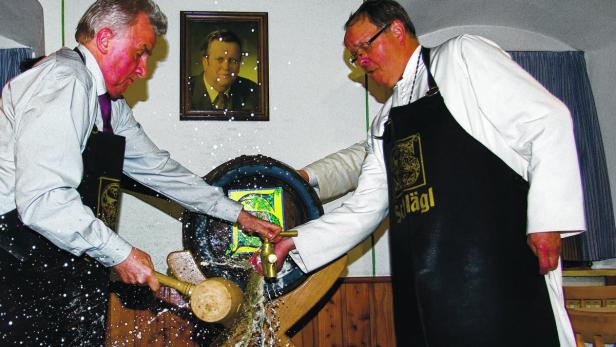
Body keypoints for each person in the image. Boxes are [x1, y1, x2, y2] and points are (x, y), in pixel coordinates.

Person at [266, 1, 586, 345]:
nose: (361, 61)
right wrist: (295, 241)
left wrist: (546, 221)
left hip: (493, 271)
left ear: (397, 29)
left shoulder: (461, 58)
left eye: (364, 47)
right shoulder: (385, 120)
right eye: (354, 56)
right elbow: (364, 210)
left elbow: (547, 121)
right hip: (425, 287)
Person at [0, 1, 280, 345]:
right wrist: (120, 253)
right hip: (16, 261)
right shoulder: (63, 81)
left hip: (69, 264)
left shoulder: (110, 107)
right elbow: (46, 201)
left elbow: (160, 170)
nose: (144, 69)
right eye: (140, 52)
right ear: (105, 40)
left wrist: (238, 214)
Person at [189, 29, 259, 111]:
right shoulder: (184, 92)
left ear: (239, 65)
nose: (226, 67)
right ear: (205, 62)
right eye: (220, 59)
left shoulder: (255, 94)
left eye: (233, 61)